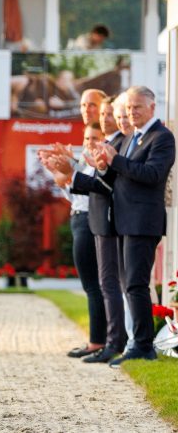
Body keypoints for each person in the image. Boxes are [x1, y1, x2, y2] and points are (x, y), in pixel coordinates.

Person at [85, 86, 173, 367]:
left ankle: (143, 346)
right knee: (129, 285)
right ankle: (139, 342)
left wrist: (116, 160)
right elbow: (115, 178)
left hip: (142, 223)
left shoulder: (161, 137)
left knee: (135, 284)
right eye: (129, 107)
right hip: (124, 222)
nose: (132, 112)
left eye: (138, 107)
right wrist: (101, 166)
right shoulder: (132, 138)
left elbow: (152, 174)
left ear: (152, 108)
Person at [41, 121, 108, 360]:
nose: (90, 143)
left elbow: (89, 194)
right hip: (79, 218)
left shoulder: (97, 164)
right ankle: (97, 339)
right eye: (87, 138)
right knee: (92, 285)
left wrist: (67, 174)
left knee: (93, 285)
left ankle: (97, 341)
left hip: (89, 221)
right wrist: (60, 174)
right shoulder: (85, 162)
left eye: (95, 138)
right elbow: (73, 194)